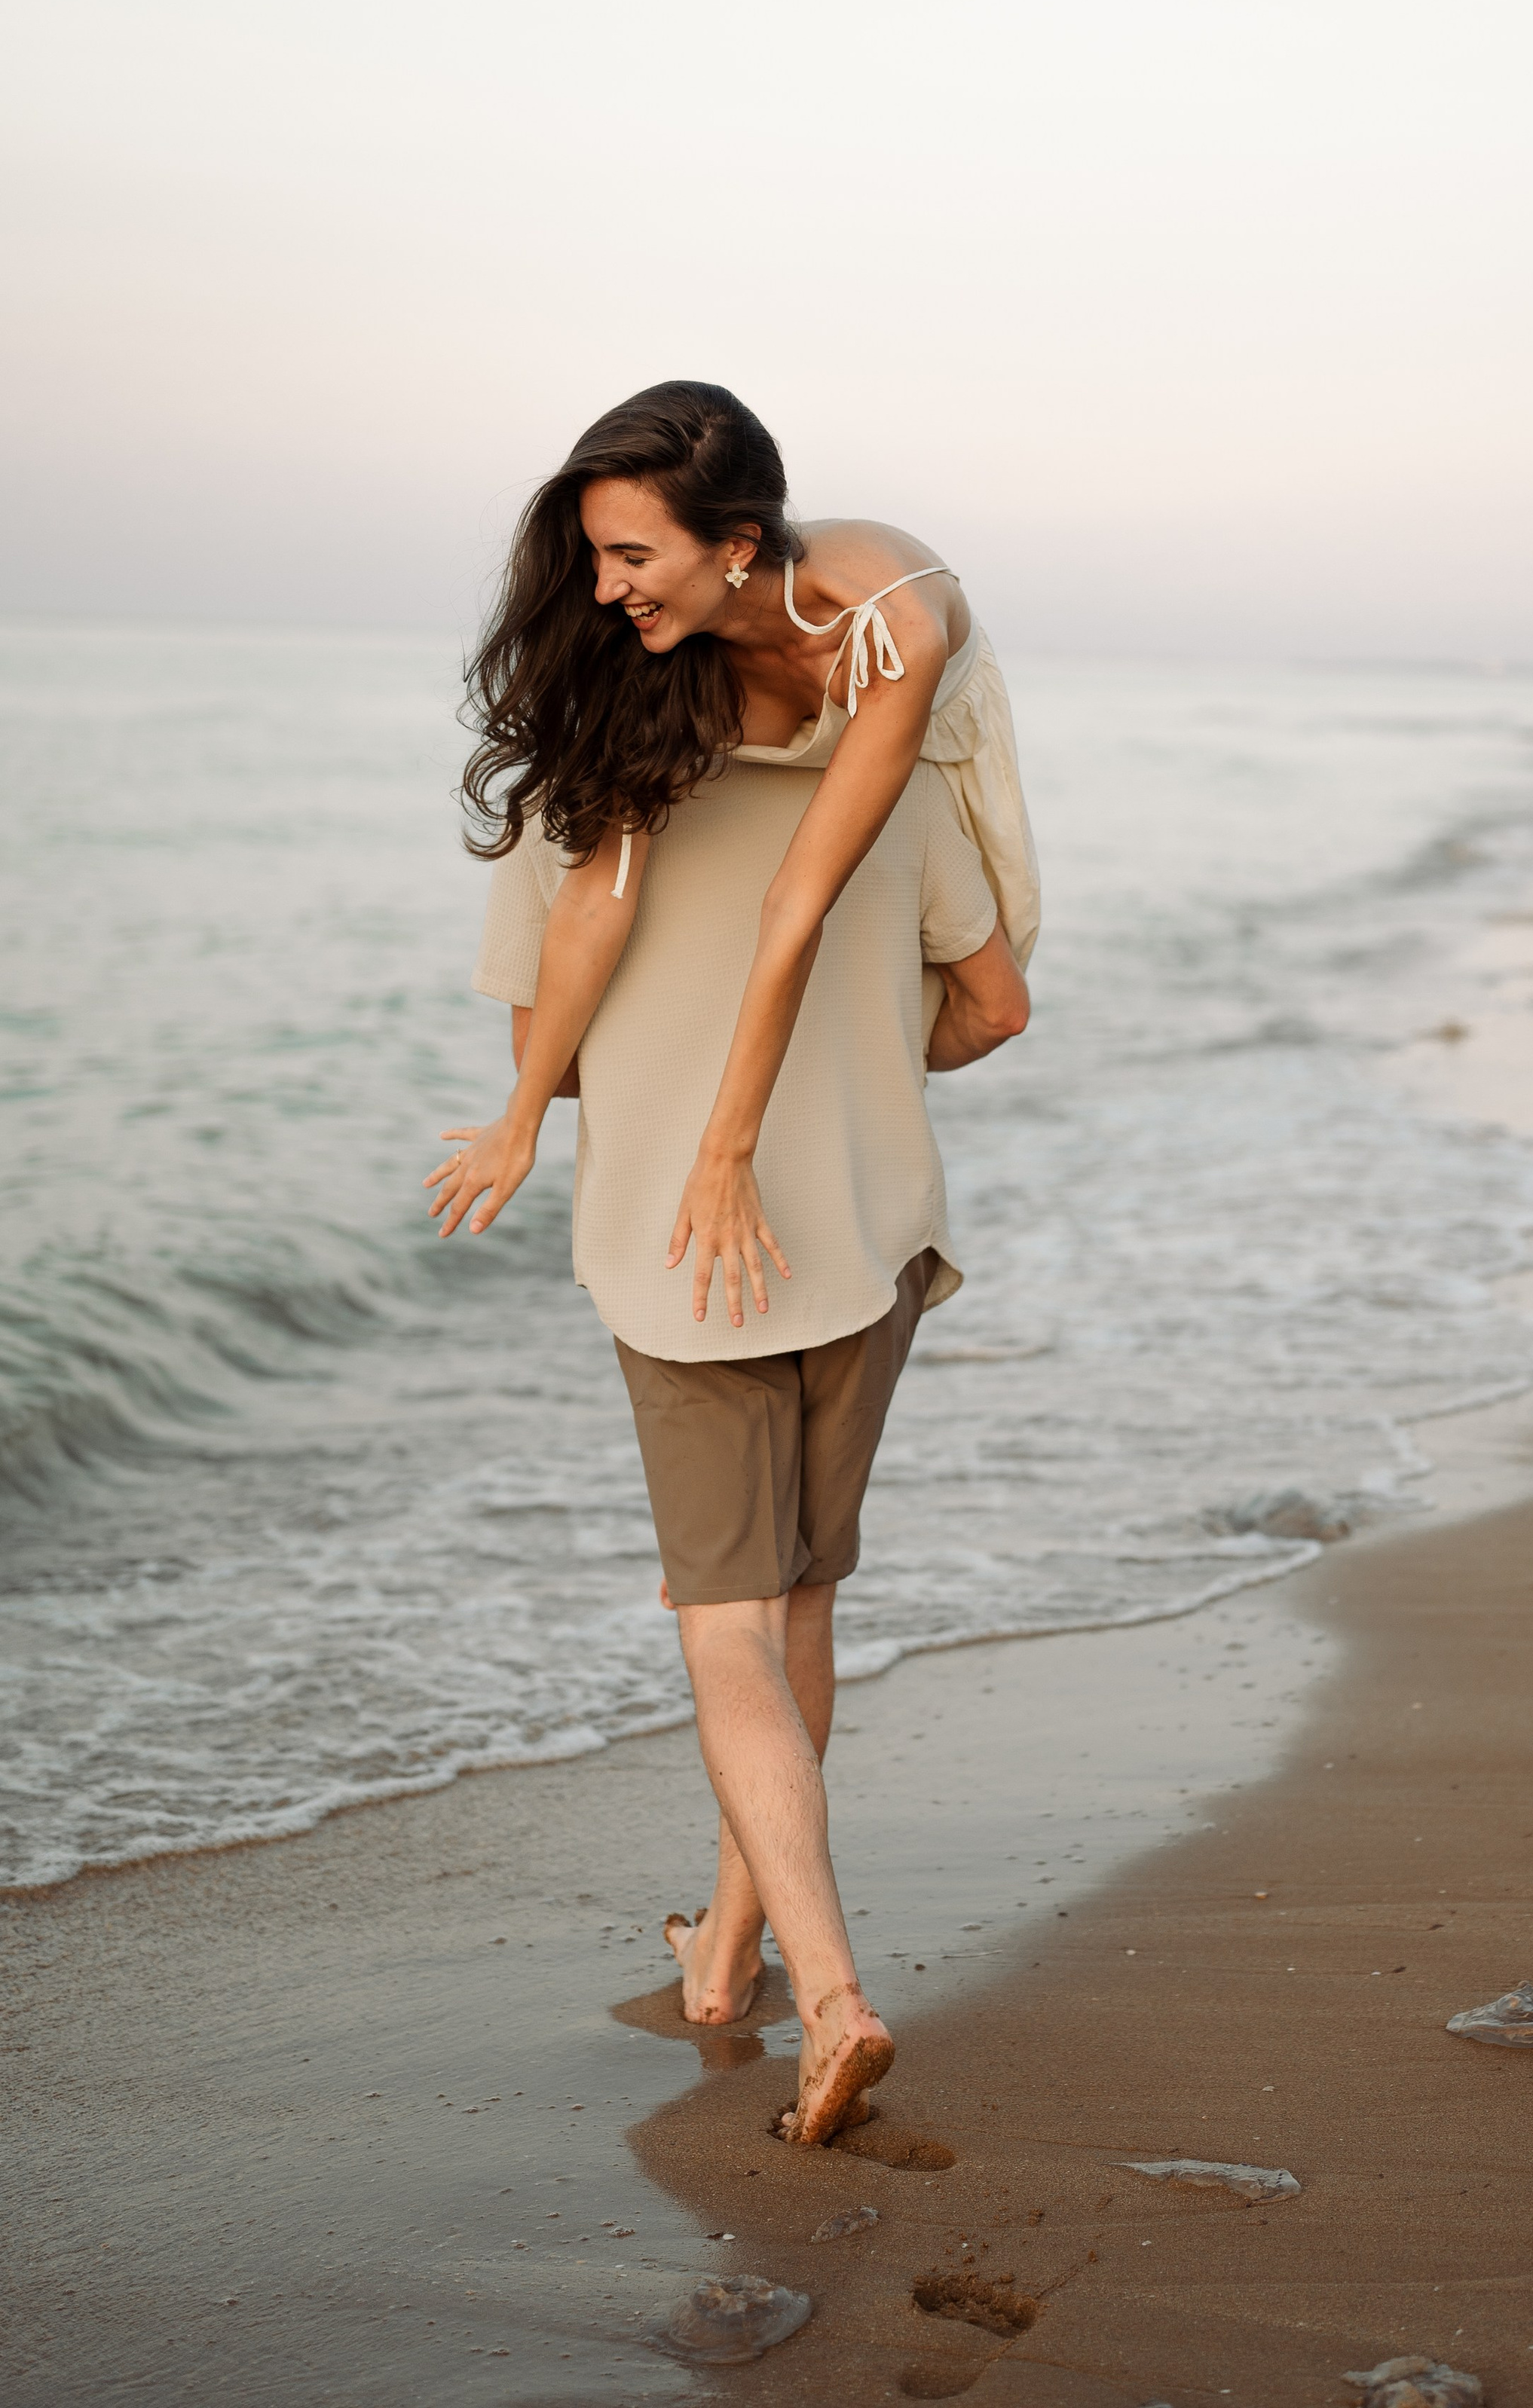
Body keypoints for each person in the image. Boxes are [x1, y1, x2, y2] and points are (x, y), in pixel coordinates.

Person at [427, 381, 1036, 2144]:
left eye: (629, 556)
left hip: (693, 1254)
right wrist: (849, 1083)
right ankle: (721, 1958)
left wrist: (553, 1117)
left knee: (722, 1638)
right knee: (801, 1608)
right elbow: (991, 1005)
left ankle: (832, 1995)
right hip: (871, 1228)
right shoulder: (894, 793)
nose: (604, 585)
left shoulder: (800, 676)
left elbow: (600, 928)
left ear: (738, 549)